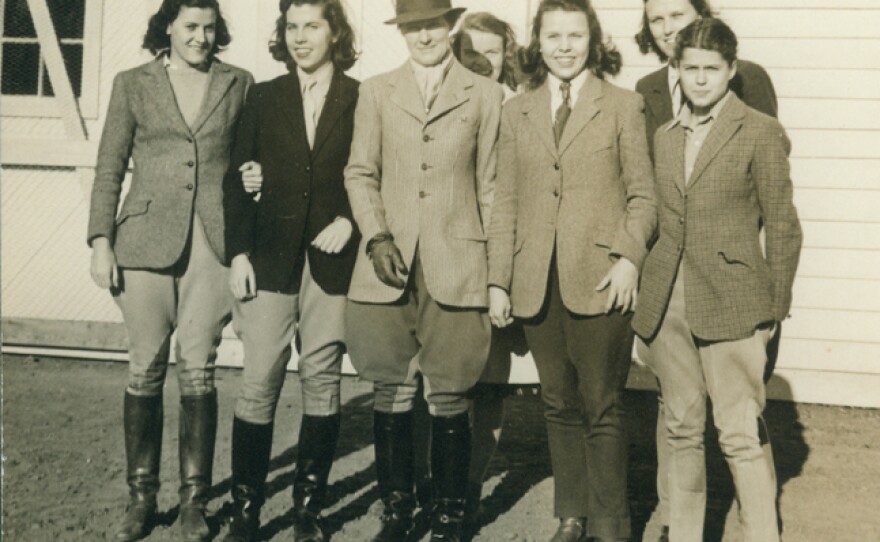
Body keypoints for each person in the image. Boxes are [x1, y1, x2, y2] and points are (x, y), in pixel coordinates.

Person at [487, 1, 655, 540]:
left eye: (575, 36)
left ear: (593, 39)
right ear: (537, 42)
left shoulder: (624, 106)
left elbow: (644, 196)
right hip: (537, 281)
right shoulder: (518, 111)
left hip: (601, 278)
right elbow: (506, 200)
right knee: (556, 401)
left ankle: (610, 522)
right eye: (553, 36)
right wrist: (498, 279)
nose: (564, 46)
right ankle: (570, 514)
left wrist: (629, 257)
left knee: (601, 402)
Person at [87, 1, 252, 540]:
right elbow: (110, 164)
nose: (201, 38)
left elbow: (249, 155)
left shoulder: (238, 82)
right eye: (190, 27)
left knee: (199, 369)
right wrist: (100, 240)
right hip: (143, 243)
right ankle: (141, 500)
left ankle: (193, 504)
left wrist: (255, 177)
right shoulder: (132, 82)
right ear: (168, 29)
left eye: (209, 28)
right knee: (145, 368)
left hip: (211, 241)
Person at [632, 18, 802, 542]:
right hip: (670, 304)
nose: (700, 80)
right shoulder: (664, 137)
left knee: (738, 434)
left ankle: (761, 535)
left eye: (711, 69)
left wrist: (771, 310)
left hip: (734, 302)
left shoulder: (759, 130)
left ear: (731, 70)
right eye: (690, 69)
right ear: (676, 72)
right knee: (681, 429)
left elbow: (783, 226)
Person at [343, 0, 503, 539]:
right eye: (413, 27)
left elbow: (492, 188)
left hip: (456, 261)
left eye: (433, 24)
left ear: (451, 25)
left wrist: (496, 272)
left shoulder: (483, 93)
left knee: (451, 390)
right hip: (389, 266)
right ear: (401, 31)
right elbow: (360, 174)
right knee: (391, 388)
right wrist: (377, 236)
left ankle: (452, 515)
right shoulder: (377, 90)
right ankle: (397, 511)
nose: (424, 36)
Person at [219, 1, 359, 541]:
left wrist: (349, 220)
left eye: (313, 26)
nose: (301, 38)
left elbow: (373, 174)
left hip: (331, 265)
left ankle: (308, 511)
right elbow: (236, 178)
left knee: (323, 381)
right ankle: (246, 511)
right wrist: (237, 255)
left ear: (334, 33)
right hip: (269, 261)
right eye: (291, 27)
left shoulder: (359, 98)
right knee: (258, 381)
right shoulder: (263, 96)